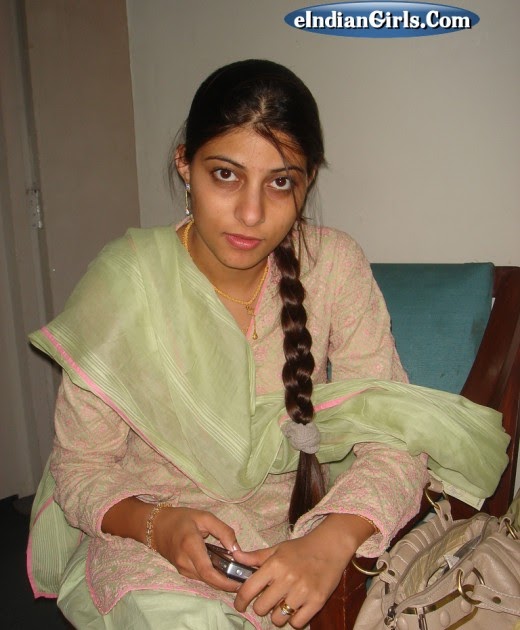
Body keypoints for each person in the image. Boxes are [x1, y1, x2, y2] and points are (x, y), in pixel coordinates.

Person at [27, 60, 508, 630]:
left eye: (280, 182)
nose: (251, 214)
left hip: (293, 543)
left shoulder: (333, 267)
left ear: (308, 180)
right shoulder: (127, 282)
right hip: (152, 552)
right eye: (225, 175)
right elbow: (80, 466)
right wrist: (157, 526)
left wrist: (328, 542)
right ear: (184, 163)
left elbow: (396, 444)